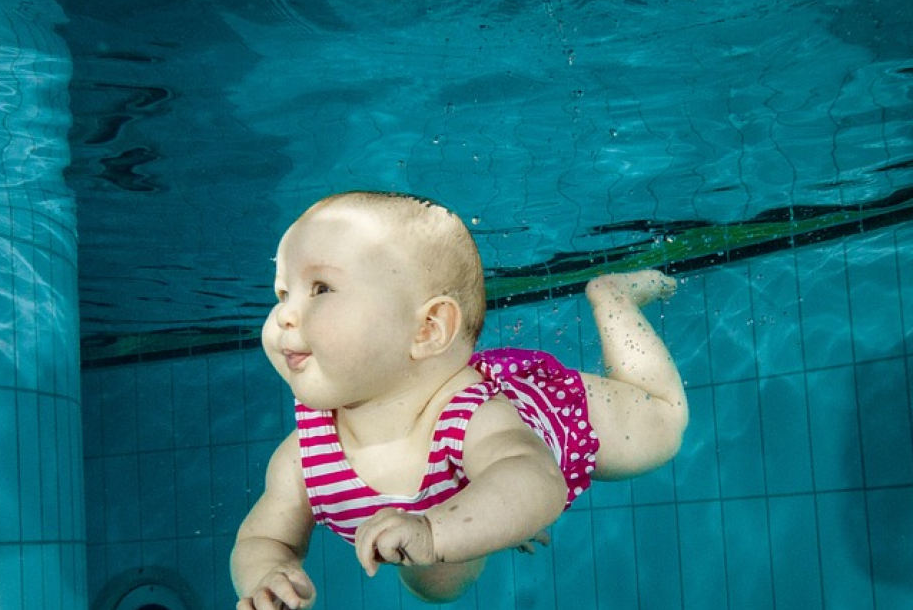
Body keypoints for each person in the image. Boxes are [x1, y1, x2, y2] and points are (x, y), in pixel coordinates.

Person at [230, 191, 689, 609]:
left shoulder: (474, 417)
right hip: (449, 513)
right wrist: (267, 576)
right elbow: (263, 538)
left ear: (428, 329)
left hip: (550, 415)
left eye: (321, 289)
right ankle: (486, 520)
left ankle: (612, 300)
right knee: (436, 587)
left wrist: (435, 531)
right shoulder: (301, 459)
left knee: (663, 427)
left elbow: (537, 481)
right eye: (283, 293)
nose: (284, 315)